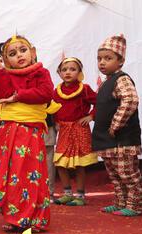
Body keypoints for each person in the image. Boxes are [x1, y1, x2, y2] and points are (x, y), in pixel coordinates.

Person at [0, 35, 58, 232]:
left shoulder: (41, 72)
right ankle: (15, 217)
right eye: (12, 53)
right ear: (6, 59)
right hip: (10, 132)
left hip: (30, 132)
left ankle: (33, 219)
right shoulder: (7, 74)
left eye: (23, 50)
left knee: (32, 173)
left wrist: (18, 97)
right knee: (13, 174)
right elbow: (2, 95)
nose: (19, 55)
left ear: (33, 52)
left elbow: (46, 93)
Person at [92, 34, 142, 217]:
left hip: (121, 139)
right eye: (99, 59)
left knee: (127, 174)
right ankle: (120, 202)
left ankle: (135, 205)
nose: (102, 62)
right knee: (115, 175)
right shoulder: (107, 82)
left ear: (120, 61)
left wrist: (116, 125)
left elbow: (130, 100)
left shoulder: (121, 79)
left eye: (108, 58)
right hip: (108, 141)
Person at [53, 57, 98, 206]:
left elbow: (98, 102)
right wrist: (56, 122)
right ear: (59, 73)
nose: (68, 72)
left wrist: (91, 116)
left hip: (79, 129)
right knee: (60, 163)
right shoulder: (57, 91)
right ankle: (67, 193)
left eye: (72, 69)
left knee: (79, 164)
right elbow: (52, 109)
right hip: (64, 130)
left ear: (79, 72)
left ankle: (80, 195)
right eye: (64, 70)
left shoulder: (84, 89)